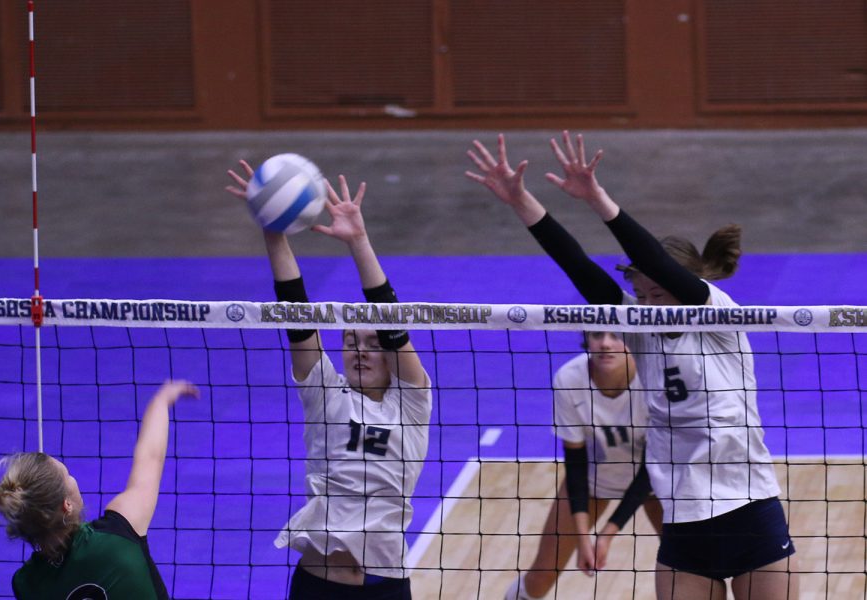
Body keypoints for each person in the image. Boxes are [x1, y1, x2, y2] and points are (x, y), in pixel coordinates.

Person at [467, 133, 798, 600]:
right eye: (639, 297)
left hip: (749, 510)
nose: (643, 307)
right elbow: (576, 264)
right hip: (684, 524)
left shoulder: (717, 314)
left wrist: (597, 198)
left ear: (685, 287)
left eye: (656, 295)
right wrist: (522, 200)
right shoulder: (636, 328)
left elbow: (653, 259)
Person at [226, 162, 431, 600]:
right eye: (350, 341)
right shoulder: (325, 393)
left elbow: (390, 318)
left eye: (372, 343)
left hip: (384, 588)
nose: (359, 350)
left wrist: (359, 241)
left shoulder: (412, 403)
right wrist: (273, 229)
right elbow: (297, 317)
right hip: (316, 586)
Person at [0, 380, 199, 599]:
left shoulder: (26, 585)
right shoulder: (120, 530)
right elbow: (151, 457)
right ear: (67, 505)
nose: (72, 477)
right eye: (67, 474)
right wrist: (161, 400)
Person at [503, 331, 662, 600]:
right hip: (592, 481)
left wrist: (607, 534)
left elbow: (650, 468)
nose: (606, 343)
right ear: (586, 338)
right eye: (597, 335)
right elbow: (575, 465)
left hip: (656, 483)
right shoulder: (570, 379)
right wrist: (582, 536)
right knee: (542, 574)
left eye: (617, 335)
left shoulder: (654, 377)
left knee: (688, 568)